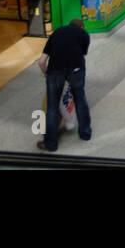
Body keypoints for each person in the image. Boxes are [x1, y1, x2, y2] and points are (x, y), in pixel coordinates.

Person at [37, 18, 91, 151]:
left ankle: (50, 144)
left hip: (55, 71)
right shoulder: (84, 35)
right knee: (80, 101)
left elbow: (41, 61)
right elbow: (82, 55)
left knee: (52, 107)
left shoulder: (56, 33)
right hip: (76, 71)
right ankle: (85, 134)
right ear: (82, 27)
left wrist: (46, 74)